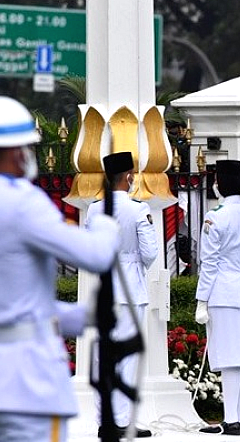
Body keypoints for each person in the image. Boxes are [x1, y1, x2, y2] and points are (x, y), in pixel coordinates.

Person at [0, 95, 120, 442]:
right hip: (26, 387)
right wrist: (105, 222)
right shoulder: (23, 202)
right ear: (18, 152)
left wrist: (80, 318)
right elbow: (96, 255)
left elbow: (4, 300)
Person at [195, 160, 240, 436]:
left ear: (221, 184)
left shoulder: (216, 216)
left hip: (224, 292)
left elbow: (209, 262)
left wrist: (202, 300)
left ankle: (231, 419)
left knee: (229, 358)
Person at [87, 151, 158, 438]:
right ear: (128, 177)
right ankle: (120, 421)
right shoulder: (138, 209)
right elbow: (151, 253)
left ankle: (105, 420)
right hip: (129, 290)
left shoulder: (94, 209)